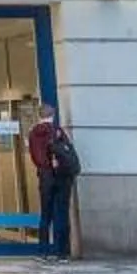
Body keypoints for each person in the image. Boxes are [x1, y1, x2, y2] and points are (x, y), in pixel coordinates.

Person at [28, 103, 79, 260]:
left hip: (45, 177)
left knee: (46, 214)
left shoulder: (33, 134)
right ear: (53, 115)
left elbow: (35, 157)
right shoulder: (58, 132)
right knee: (62, 213)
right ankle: (62, 253)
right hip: (62, 177)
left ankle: (43, 251)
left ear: (39, 116)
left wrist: (44, 167)